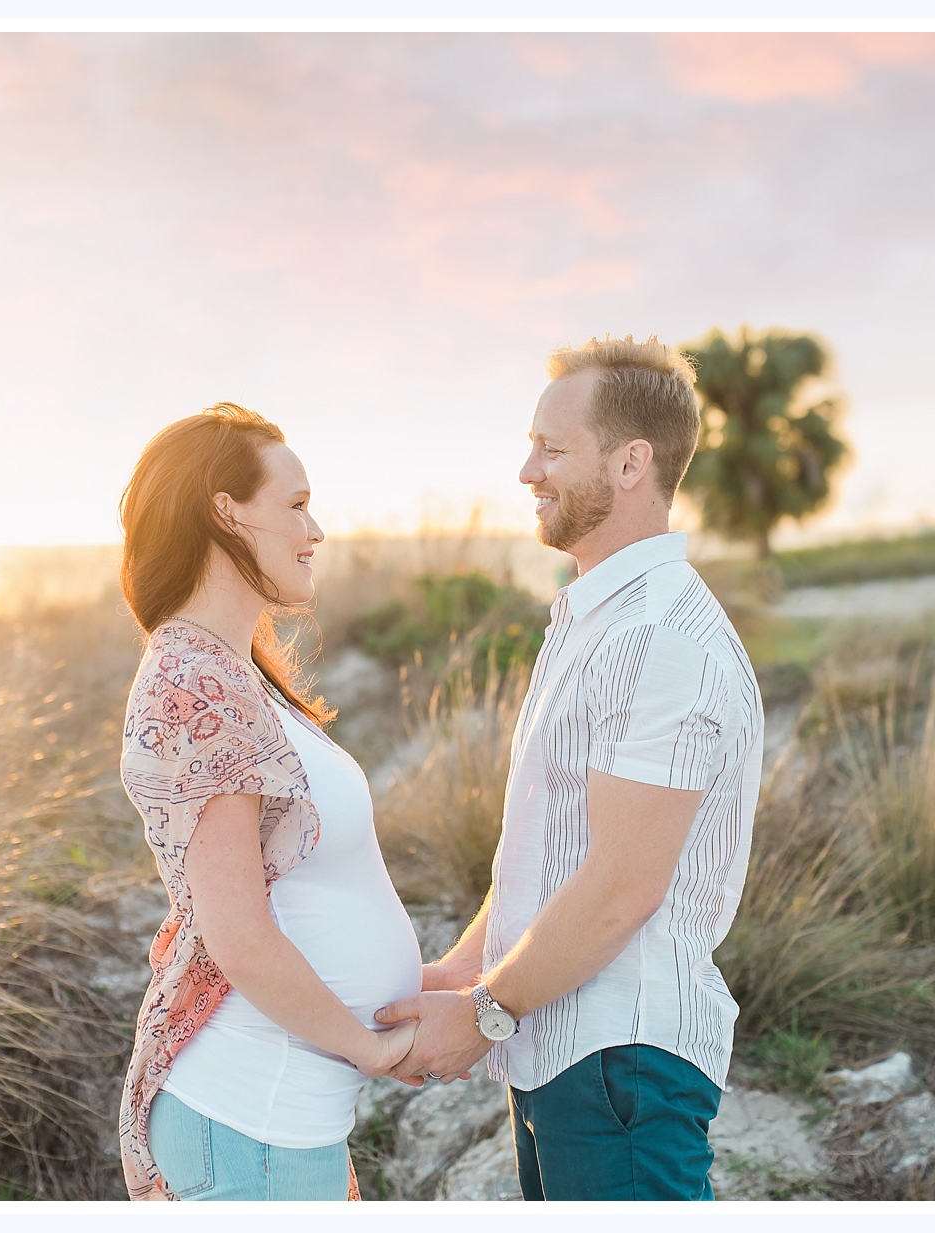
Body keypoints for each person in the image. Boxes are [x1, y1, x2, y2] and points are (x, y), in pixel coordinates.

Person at [377, 336, 764, 1201]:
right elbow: (551, 851)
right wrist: (461, 973)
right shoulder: (597, 620)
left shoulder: (659, 638)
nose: (527, 471)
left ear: (631, 464)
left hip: (621, 1064)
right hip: (560, 1048)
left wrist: (481, 1015)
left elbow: (623, 884)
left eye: (551, 449)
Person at [114, 403, 424, 1201]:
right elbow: (239, 933)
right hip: (251, 1127)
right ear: (226, 512)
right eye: (295, 504)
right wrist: (367, 1047)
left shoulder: (235, 673)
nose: (315, 529)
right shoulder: (195, 680)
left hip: (274, 1127)